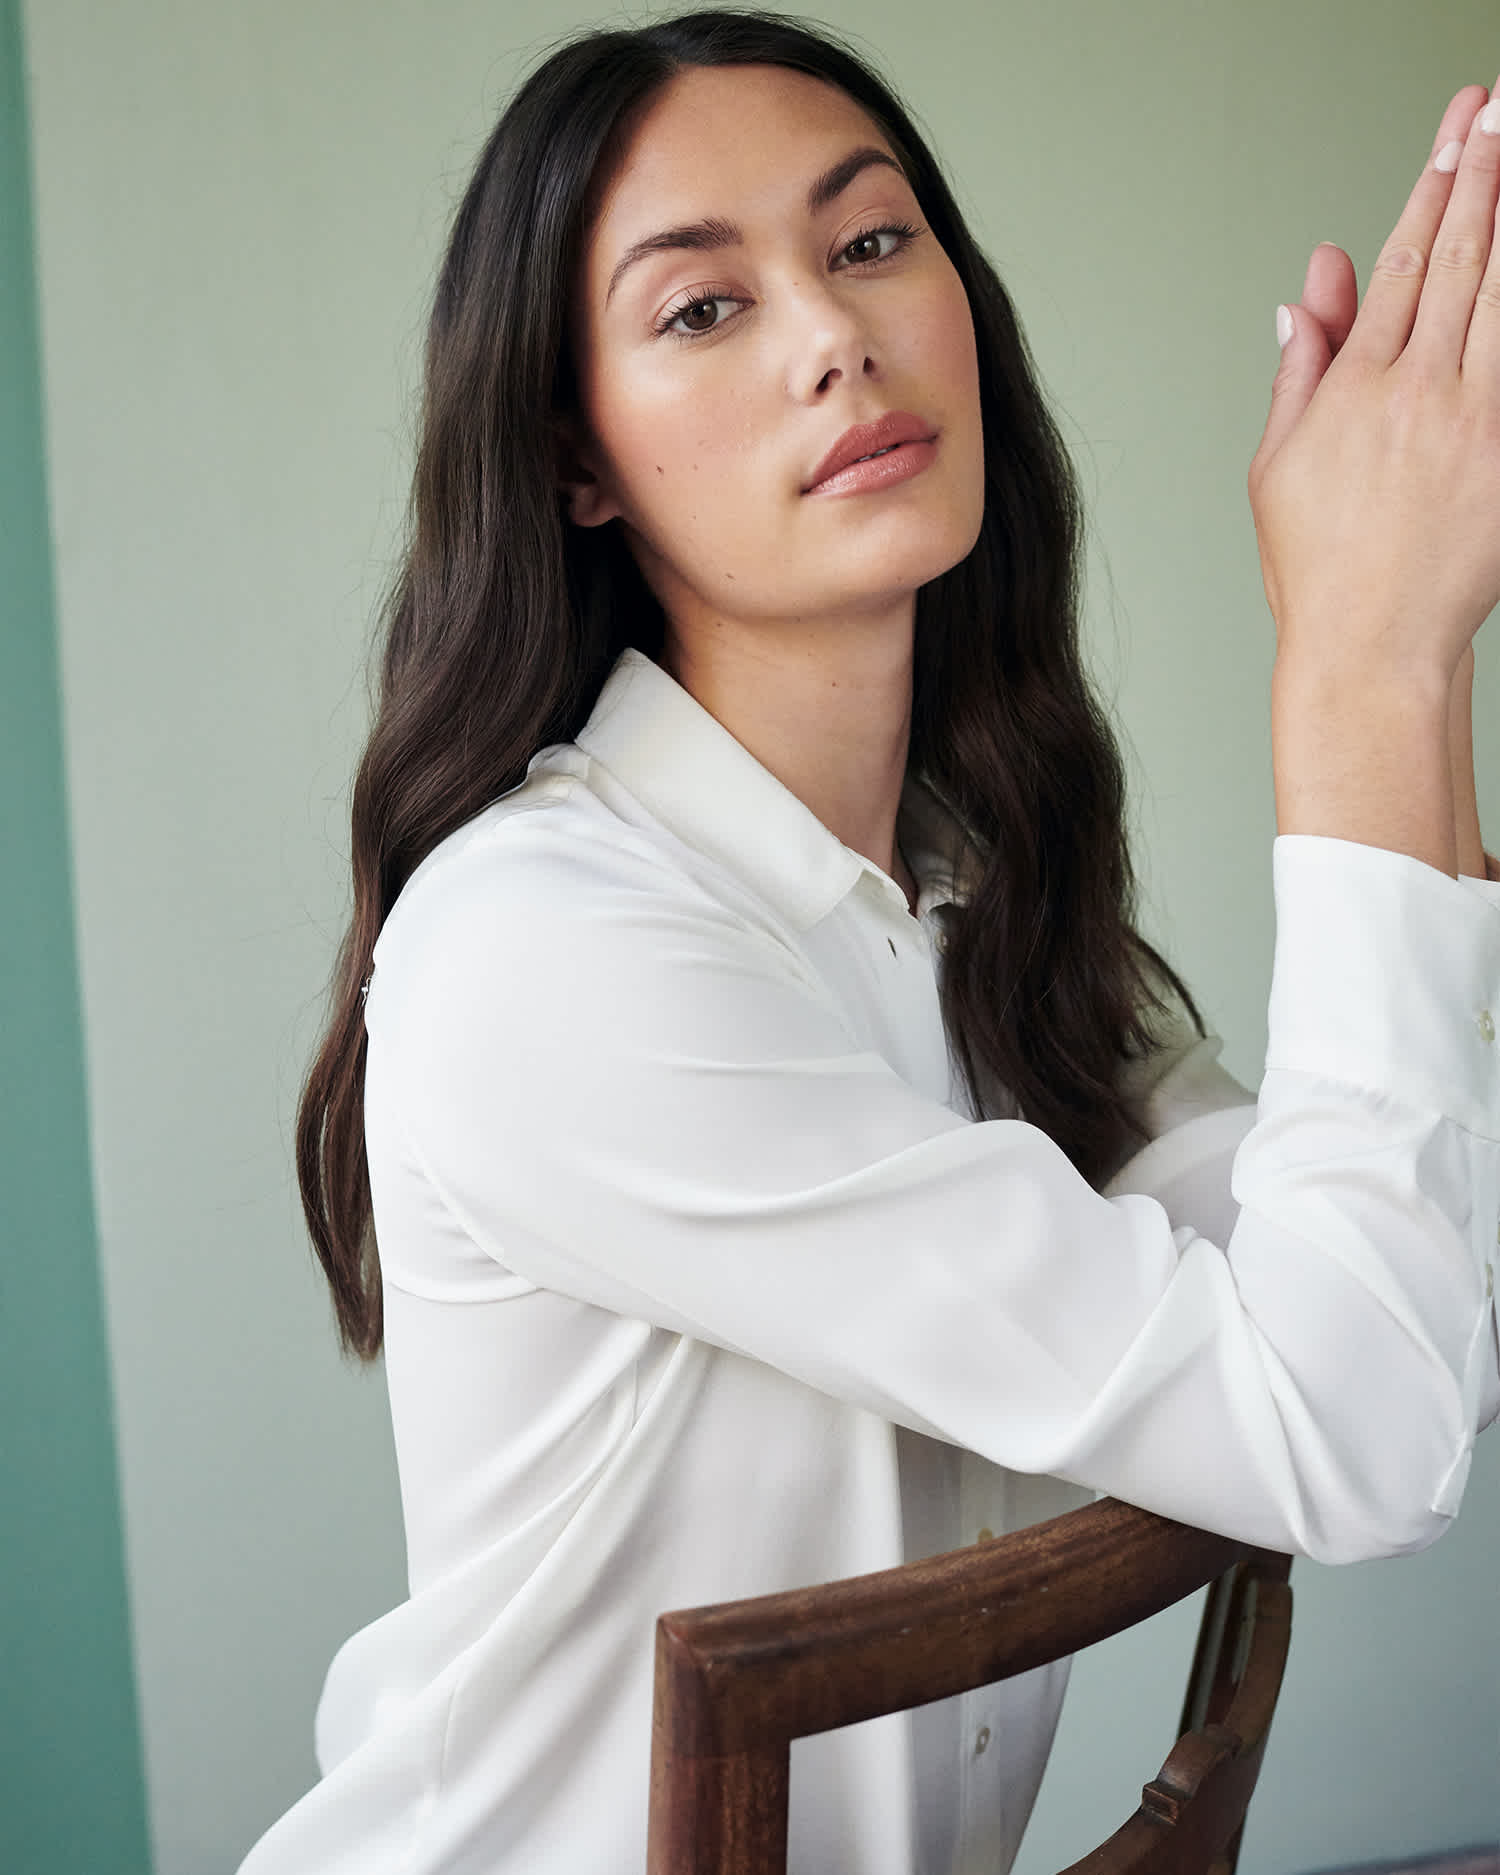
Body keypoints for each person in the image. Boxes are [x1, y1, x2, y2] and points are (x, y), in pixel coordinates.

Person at [240, 11, 1500, 1874]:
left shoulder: (976, 888)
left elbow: (1388, 1300)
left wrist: (1414, 671)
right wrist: (1372, 663)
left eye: (869, 243)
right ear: (575, 459)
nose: (834, 334)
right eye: (700, 308)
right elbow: (1359, 1432)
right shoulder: (553, 953)